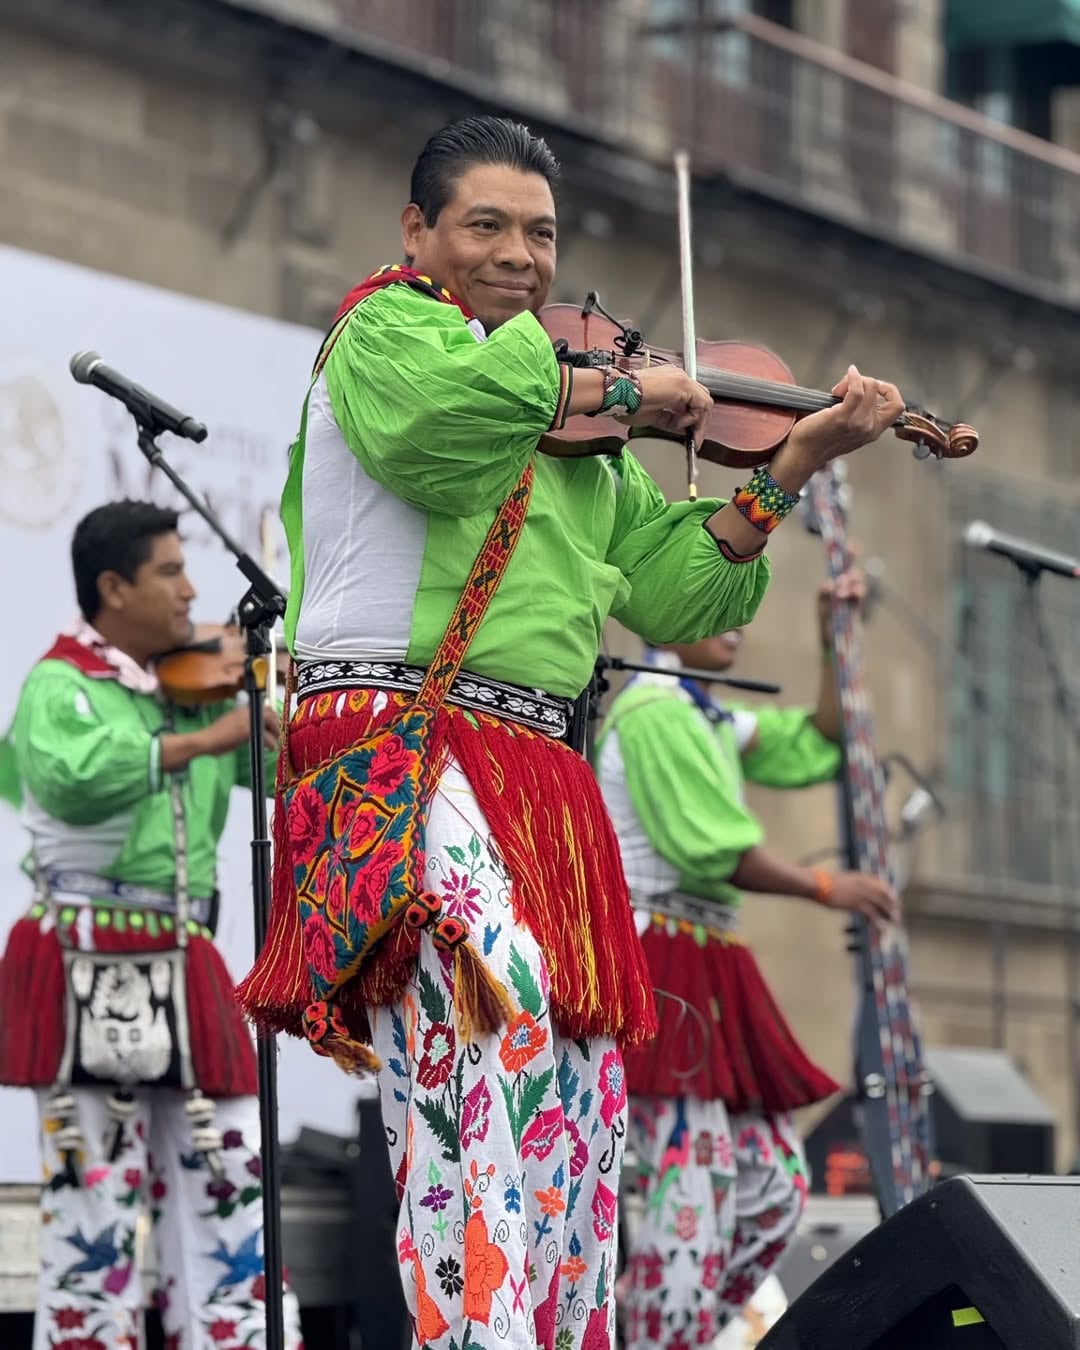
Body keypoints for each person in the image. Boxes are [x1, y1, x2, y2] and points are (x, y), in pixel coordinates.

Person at [236, 114, 905, 1350]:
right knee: (479, 1061)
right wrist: (611, 387)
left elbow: (680, 596)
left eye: (539, 233)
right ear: (419, 233)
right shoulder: (389, 330)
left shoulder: (586, 446)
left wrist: (787, 469)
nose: (519, 256)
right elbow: (438, 443)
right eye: (485, 225)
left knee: (576, 1103)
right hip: (405, 740)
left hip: (538, 773)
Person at [0, 500, 303, 1350]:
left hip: (185, 950)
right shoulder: (59, 683)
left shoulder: (192, 690)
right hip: (86, 949)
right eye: (169, 571)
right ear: (113, 586)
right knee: (94, 1197)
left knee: (231, 1180)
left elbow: (279, 775)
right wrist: (211, 739)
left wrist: (288, 723)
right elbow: (69, 778)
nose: (189, 592)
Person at [594, 570, 898, 1349]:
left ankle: (665, 1327)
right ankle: (665, 1327)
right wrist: (825, 883)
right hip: (661, 961)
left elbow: (816, 743)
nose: (739, 625)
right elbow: (712, 846)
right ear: (669, 612)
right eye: (720, 608)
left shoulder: (707, 713)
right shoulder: (655, 710)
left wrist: (836, 632)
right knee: (683, 1206)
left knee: (774, 1190)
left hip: (706, 959)